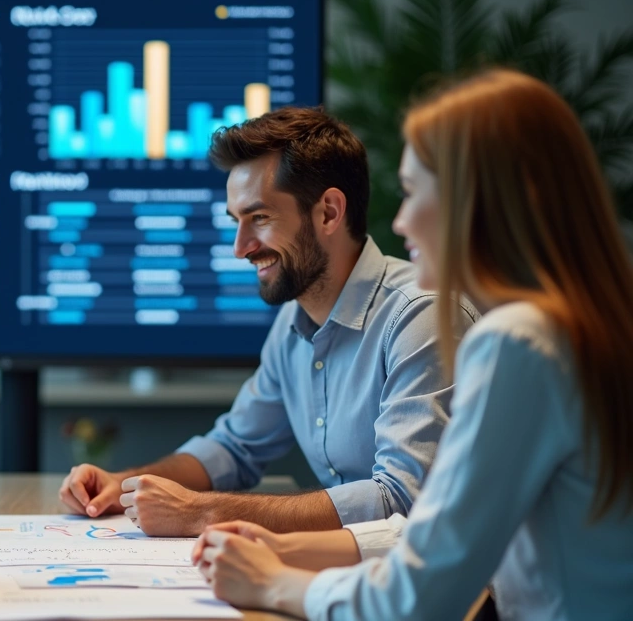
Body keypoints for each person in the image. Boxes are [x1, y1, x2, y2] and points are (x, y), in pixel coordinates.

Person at [195, 69, 633, 619]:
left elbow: (422, 594)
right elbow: (441, 539)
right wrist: (283, 548)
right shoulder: (584, 329)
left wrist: (275, 584)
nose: (399, 223)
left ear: (478, 202)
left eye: (411, 192)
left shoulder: (518, 345)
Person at [59, 108, 477, 536]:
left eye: (259, 218)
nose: (240, 248)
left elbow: (402, 501)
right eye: (235, 221)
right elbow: (234, 448)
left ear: (329, 213)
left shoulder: (422, 316)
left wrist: (203, 512)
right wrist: (122, 484)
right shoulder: (294, 323)